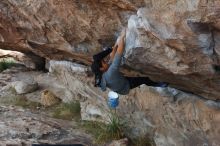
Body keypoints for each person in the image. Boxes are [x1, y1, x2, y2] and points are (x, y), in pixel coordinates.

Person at [91, 29, 168, 95]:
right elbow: (119, 53)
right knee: (144, 79)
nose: (106, 62)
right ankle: (158, 84)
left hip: (119, 82)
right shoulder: (110, 73)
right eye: (104, 63)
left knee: (126, 76)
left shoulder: (102, 72)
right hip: (125, 87)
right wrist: (122, 37)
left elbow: (112, 57)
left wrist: (115, 46)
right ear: (101, 69)